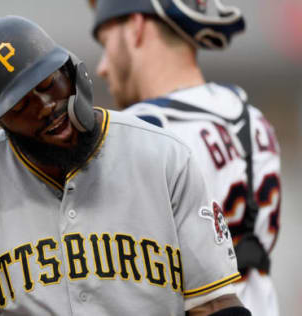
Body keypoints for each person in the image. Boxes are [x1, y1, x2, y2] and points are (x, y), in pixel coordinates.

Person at [0, 15, 251, 316]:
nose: (45, 106)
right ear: (1, 121)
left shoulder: (164, 157)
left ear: (71, 73)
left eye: (47, 84)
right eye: (21, 105)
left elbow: (215, 303)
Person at [88, 1, 281, 315]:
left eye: (107, 43)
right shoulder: (255, 119)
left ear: (136, 26)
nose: (103, 66)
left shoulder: (142, 130)